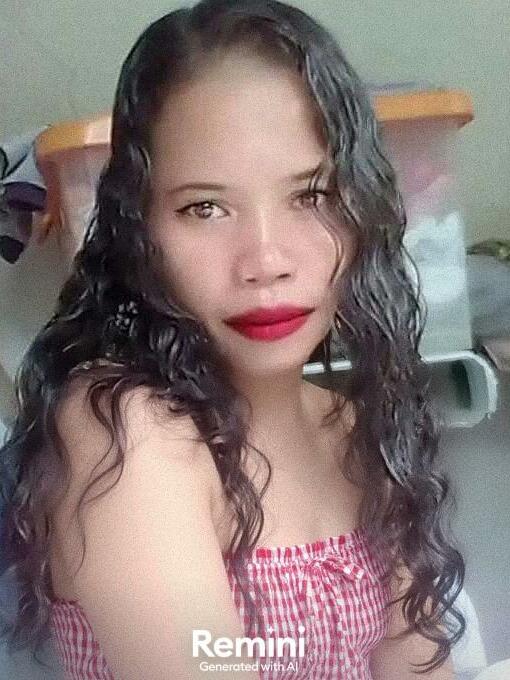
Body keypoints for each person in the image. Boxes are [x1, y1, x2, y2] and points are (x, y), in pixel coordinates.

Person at [0, 0, 466, 678]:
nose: (265, 261)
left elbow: (419, 666)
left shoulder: (355, 429)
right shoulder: (123, 429)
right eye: (205, 208)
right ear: (140, 230)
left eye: (312, 196)